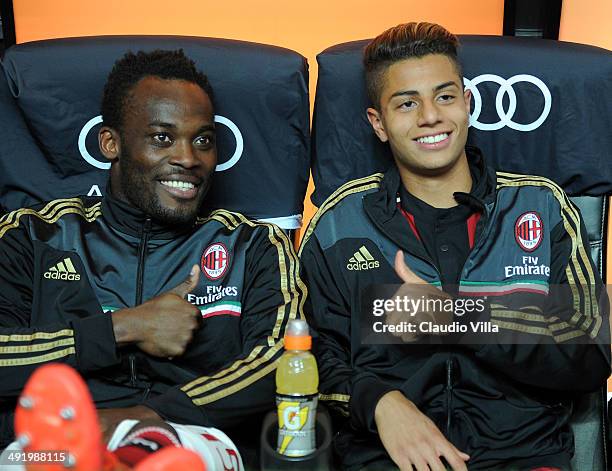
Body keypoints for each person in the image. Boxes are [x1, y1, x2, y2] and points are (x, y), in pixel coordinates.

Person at [298, 22, 610, 470]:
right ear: (379, 124)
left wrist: (457, 317)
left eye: (444, 96)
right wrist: (380, 403)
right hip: (386, 459)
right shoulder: (337, 225)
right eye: (407, 104)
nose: (430, 116)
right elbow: (307, 353)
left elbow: (590, 349)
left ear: (466, 104)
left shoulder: (540, 205)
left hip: (523, 458)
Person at [0, 49, 305, 465]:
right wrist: (122, 329)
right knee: (37, 458)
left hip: (192, 434)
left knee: (163, 457)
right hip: (57, 435)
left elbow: (284, 359)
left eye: (203, 140)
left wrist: (146, 417)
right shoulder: (36, 235)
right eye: (163, 137)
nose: (188, 158)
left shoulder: (252, 244)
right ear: (111, 143)